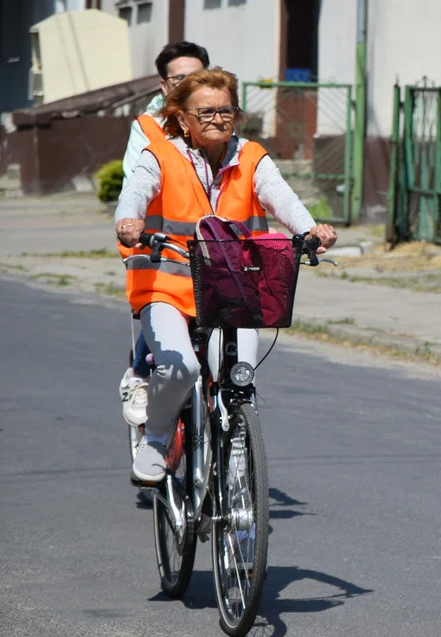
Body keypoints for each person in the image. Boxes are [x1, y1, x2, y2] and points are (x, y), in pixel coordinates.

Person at [114, 68, 337, 484]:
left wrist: (308, 230)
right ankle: (157, 439)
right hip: (166, 283)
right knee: (180, 369)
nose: (218, 119)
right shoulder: (159, 155)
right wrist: (129, 219)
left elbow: (280, 195)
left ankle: (236, 450)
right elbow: (136, 191)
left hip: (233, 286)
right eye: (206, 112)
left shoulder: (250, 156)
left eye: (226, 110)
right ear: (182, 120)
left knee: (240, 378)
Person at [118, 41, 211, 428]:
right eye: (180, 78)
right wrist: (133, 223)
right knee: (163, 300)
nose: (190, 83)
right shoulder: (149, 128)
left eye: (198, 76)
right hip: (157, 239)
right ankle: (140, 371)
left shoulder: (216, 117)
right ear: (163, 85)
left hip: (207, 240)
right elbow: (136, 185)